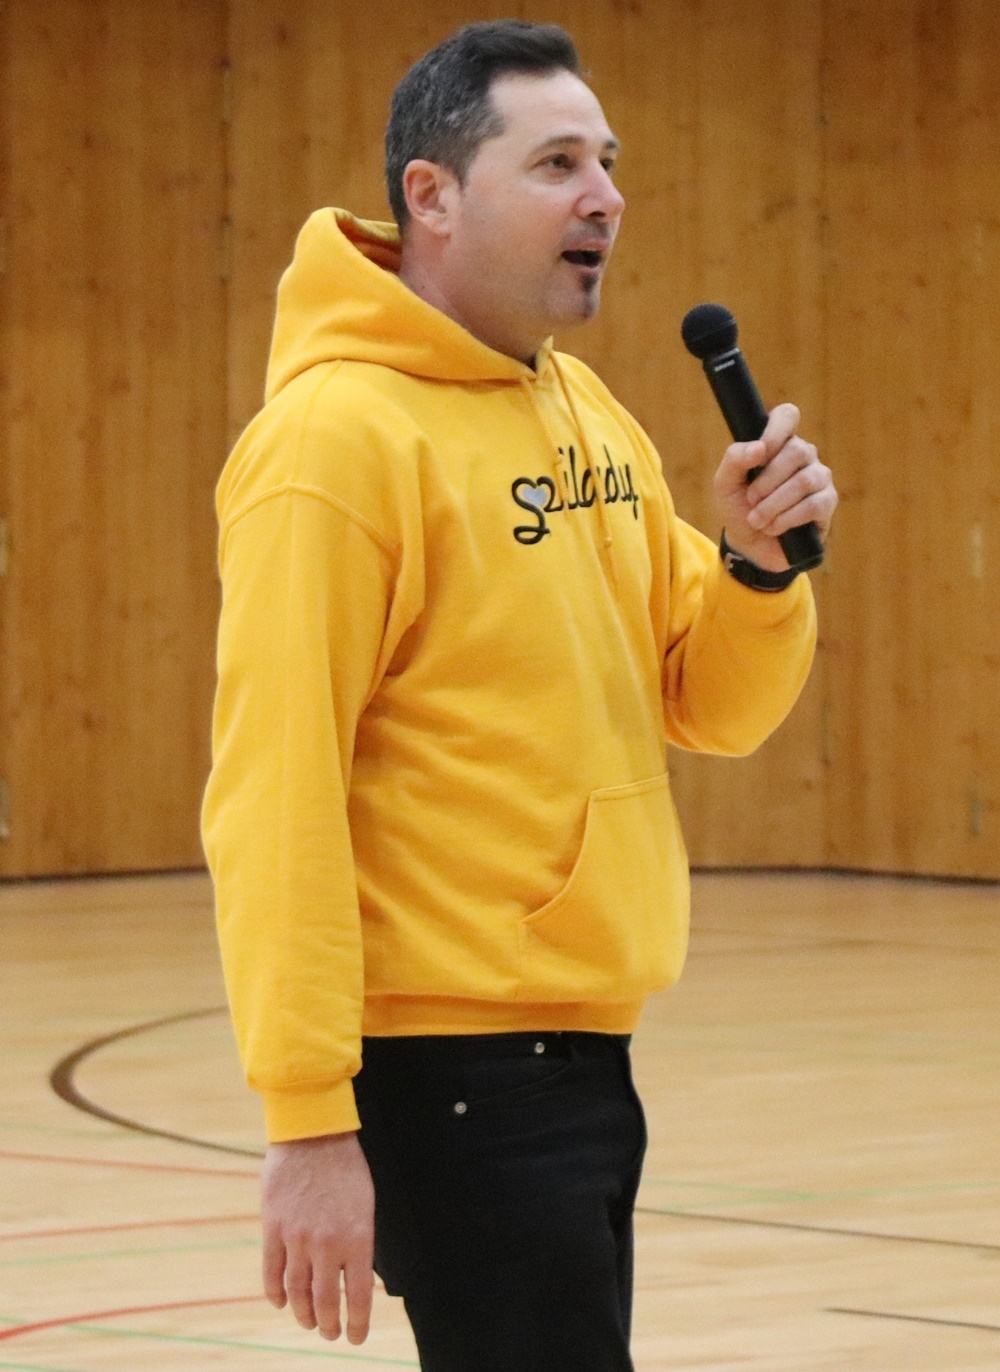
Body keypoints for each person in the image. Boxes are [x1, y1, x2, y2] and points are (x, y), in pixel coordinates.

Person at [201, 19, 837, 1372]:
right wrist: (308, 1120)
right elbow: (273, 795)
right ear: (432, 195)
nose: (605, 195)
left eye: (607, 161)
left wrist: (755, 568)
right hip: (455, 1074)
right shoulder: (333, 444)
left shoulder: (579, 411)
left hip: (582, 1050)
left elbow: (707, 703)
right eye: (557, 163)